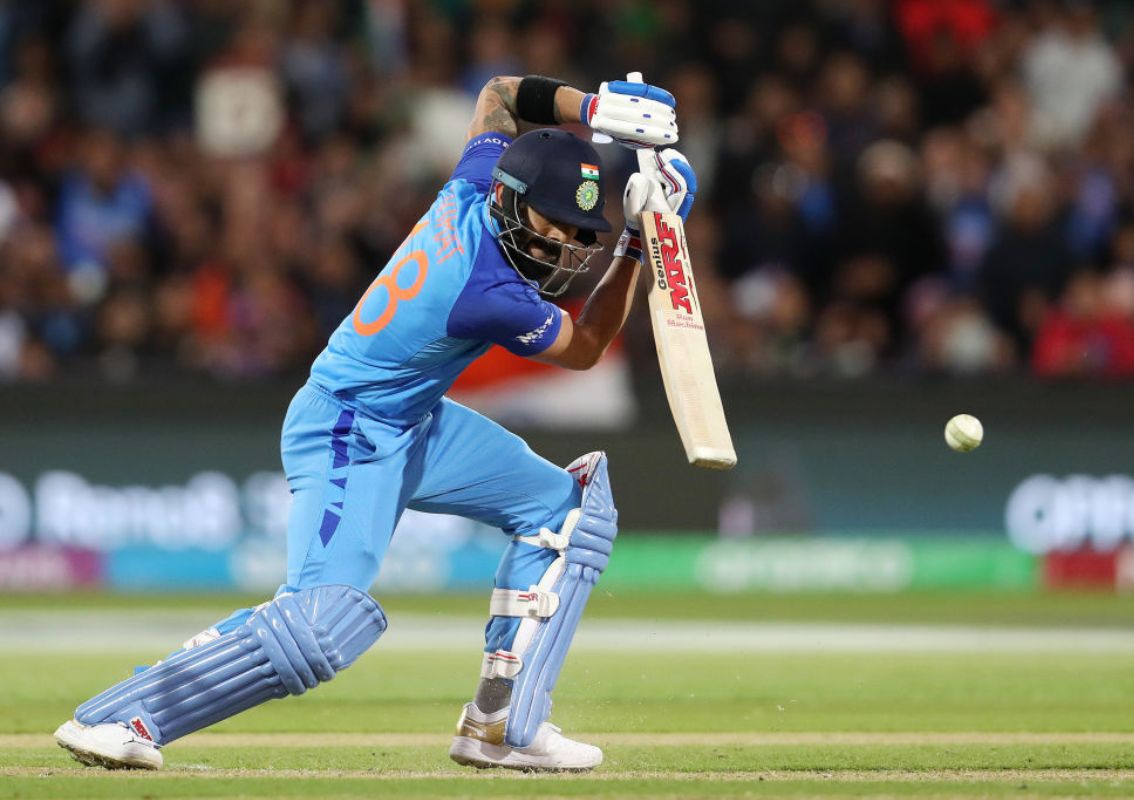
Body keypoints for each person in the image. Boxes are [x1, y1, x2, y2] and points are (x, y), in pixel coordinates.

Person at [53, 74, 696, 773]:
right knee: (322, 624)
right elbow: (588, 347)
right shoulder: (489, 292)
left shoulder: (474, 185)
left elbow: (501, 96)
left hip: (412, 422)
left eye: (580, 232)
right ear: (514, 202)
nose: (565, 244)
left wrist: (593, 108)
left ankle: (501, 722)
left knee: (568, 511)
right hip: (347, 432)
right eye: (552, 223)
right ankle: (123, 714)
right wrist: (636, 242)